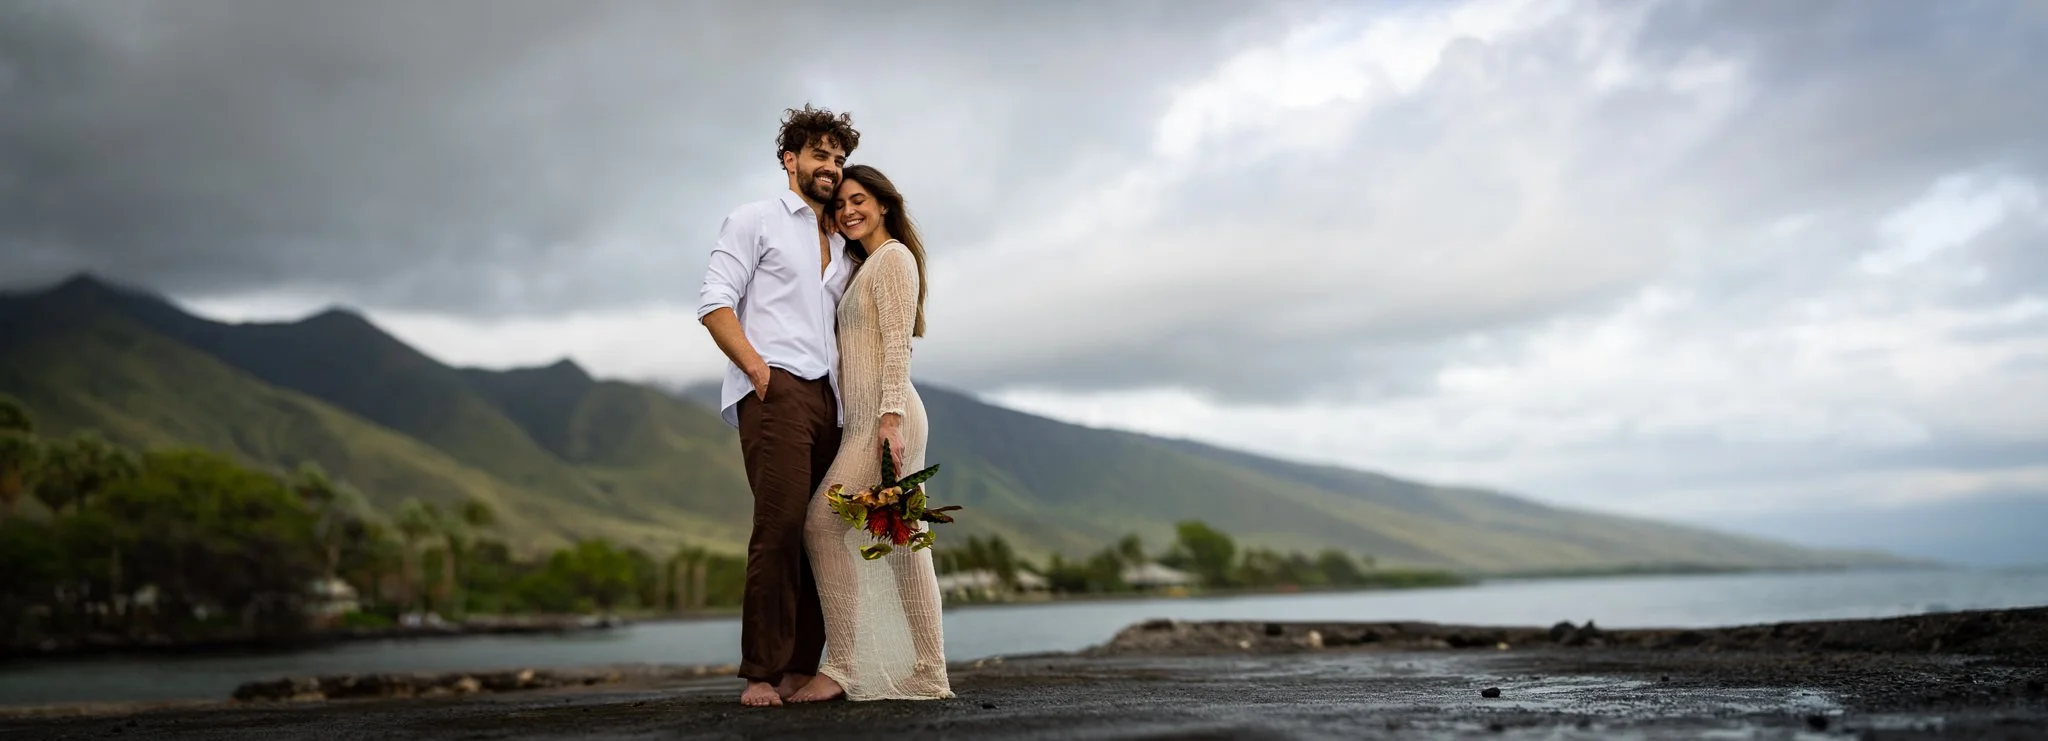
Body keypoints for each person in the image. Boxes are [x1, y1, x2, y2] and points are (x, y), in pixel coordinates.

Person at [696, 104, 860, 707]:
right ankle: (761, 673)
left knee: (821, 533)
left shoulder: (843, 244)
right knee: (780, 526)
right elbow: (714, 303)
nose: (831, 168)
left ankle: (800, 669)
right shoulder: (754, 220)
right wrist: (759, 371)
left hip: (831, 401)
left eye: (839, 159)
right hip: (777, 389)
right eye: (820, 155)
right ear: (790, 160)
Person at [788, 164, 952, 702]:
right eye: (840, 205)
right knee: (904, 545)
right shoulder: (865, 265)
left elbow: (899, 344)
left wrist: (888, 422)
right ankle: (925, 670)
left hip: (886, 419)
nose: (848, 210)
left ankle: (842, 666)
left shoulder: (894, 259)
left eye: (859, 200)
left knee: (821, 525)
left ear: (884, 204)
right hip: (869, 419)